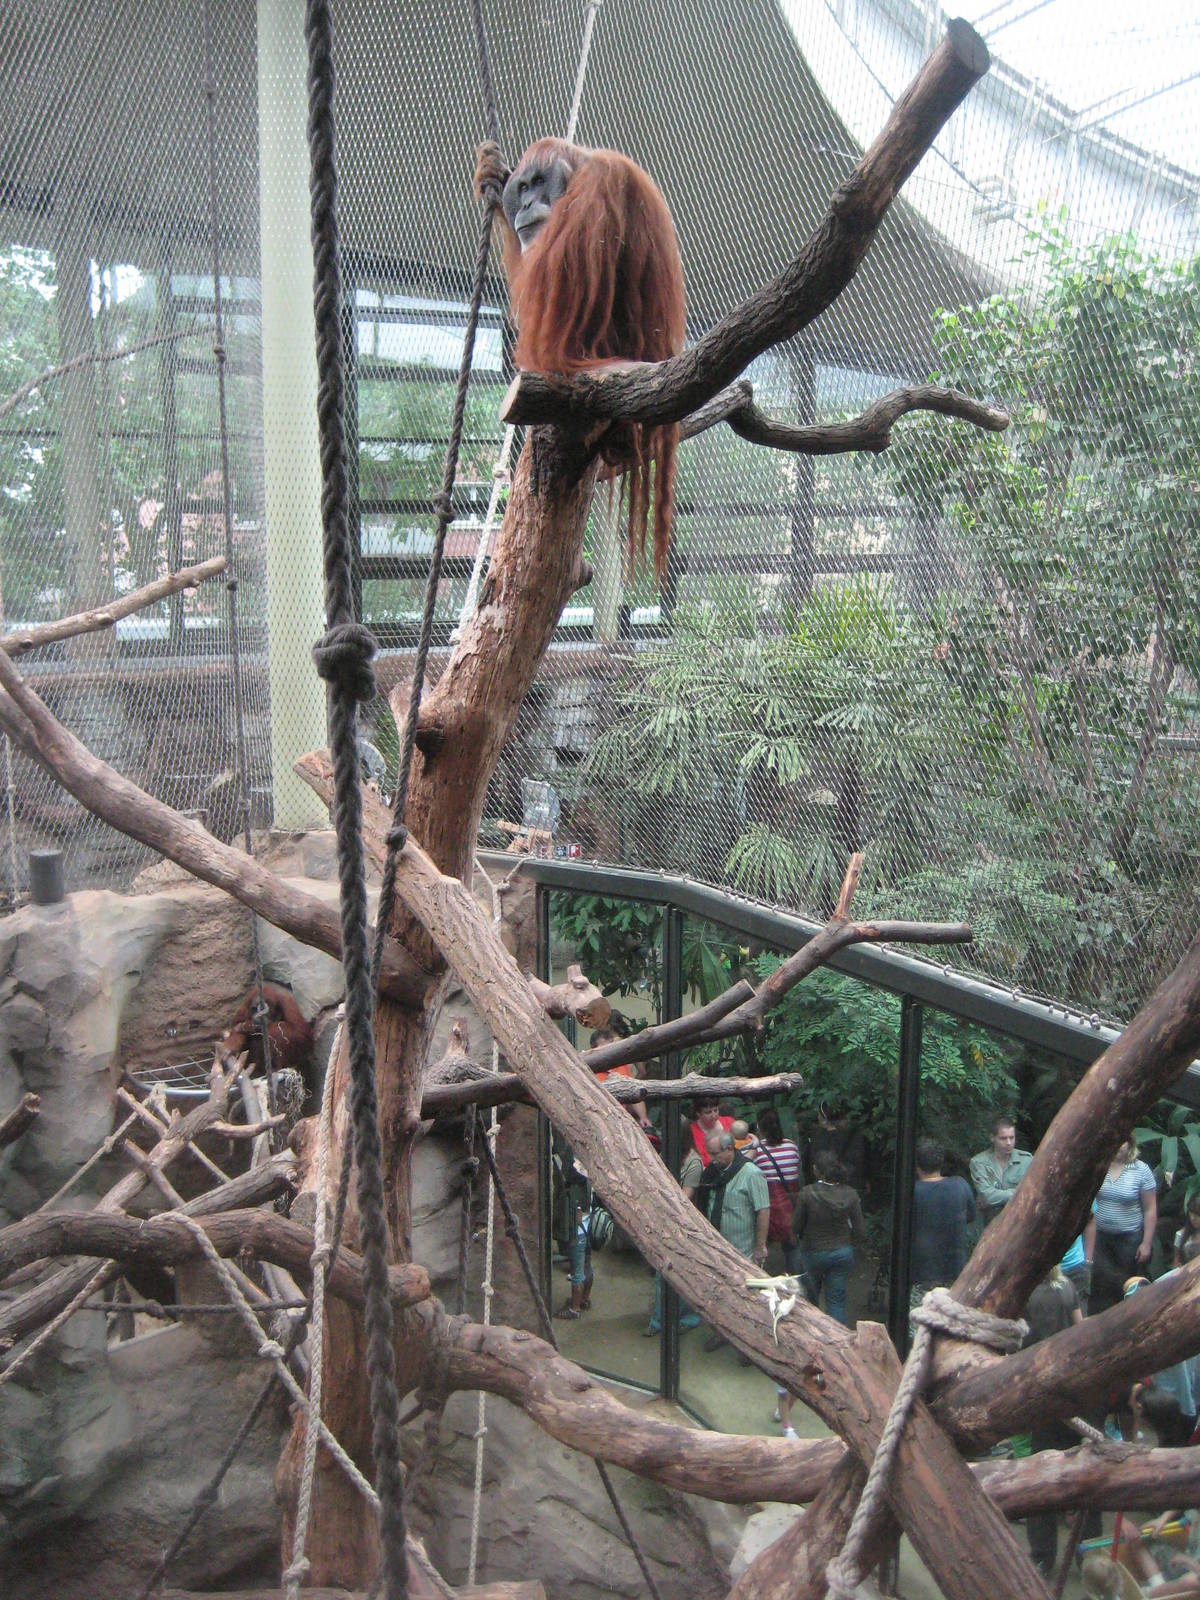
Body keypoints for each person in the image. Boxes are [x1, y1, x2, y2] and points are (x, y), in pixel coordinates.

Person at [1021, 1267, 1085, 1577]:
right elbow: (1081, 1329)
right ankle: (1087, 1552)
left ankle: (1043, 1556)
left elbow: (1016, 1343)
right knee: (1084, 1472)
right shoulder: (1068, 1286)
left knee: (1041, 1475)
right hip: (1073, 1386)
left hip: (1042, 1388)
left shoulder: (1028, 1294)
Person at [698, 1129, 770, 1353]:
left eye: (715, 1154)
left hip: (743, 1251)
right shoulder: (712, 1173)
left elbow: (763, 1210)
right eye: (709, 1153)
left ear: (729, 1149)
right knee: (719, 1294)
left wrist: (760, 1246)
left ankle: (750, 1345)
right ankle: (722, 1333)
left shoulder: (751, 1174)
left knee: (748, 1299)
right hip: (717, 1248)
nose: (712, 1159)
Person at [792, 1149, 864, 1325]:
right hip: (842, 1252)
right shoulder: (850, 1194)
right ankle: (838, 1337)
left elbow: (796, 1226)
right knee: (836, 1303)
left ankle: (811, 1334)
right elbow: (860, 1229)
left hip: (813, 1251)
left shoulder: (807, 1193)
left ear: (816, 1170)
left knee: (809, 1301)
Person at [1092, 1137, 1158, 1314]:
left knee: (1127, 1283)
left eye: (1122, 1141)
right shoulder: (1100, 1166)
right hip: (1100, 1236)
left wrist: (1146, 1243)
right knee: (1101, 1284)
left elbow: (1150, 1209)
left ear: (1130, 1144)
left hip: (1129, 1239)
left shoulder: (1140, 1169)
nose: (1118, 1146)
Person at [910, 1137, 976, 1296]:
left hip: (922, 1275)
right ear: (941, 1162)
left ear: (917, 1166)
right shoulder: (960, 1185)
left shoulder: (912, 1192)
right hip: (956, 1273)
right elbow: (971, 1216)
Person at [751, 1108, 803, 1276]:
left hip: (768, 1209)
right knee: (792, 1247)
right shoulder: (792, 1146)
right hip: (790, 1208)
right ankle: (796, 1281)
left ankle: (759, 1276)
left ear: (759, 1127)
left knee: (761, 1246)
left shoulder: (757, 1151)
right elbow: (796, 1169)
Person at [969, 1112, 1033, 1224]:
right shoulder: (979, 1163)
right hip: (992, 1223)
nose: (1008, 1143)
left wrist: (998, 1196)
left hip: (1022, 1221)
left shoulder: (1027, 1160)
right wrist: (1018, 1192)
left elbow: (1033, 1191)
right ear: (992, 1138)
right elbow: (987, 1197)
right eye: (1003, 1138)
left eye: (1012, 1138)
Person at [590, 1019, 652, 1132]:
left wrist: (643, 1117)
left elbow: (633, 1091)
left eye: (610, 1048)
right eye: (603, 1049)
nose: (607, 1052)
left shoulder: (622, 1066)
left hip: (620, 1120)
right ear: (593, 1050)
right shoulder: (588, 1070)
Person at [804, 1101, 867, 1195]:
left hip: (823, 1189)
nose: (817, 1117)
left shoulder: (818, 1138)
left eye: (819, 1115)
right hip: (847, 1188)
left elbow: (809, 1162)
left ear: (824, 1118)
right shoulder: (850, 1136)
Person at [689, 1096, 734, 1166]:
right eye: (708, 1112)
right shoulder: (691, 1132)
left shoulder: (729, 1122)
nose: (713, 1115)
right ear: (698, 1113)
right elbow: (700, 1160)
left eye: (715, 1110)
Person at [1175, 1193, 1200, 1267]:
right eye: (1191, 1213)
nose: (1193, 1218)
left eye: (1197, 1215)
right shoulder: (1181, 1235)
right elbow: (1176, 1262)